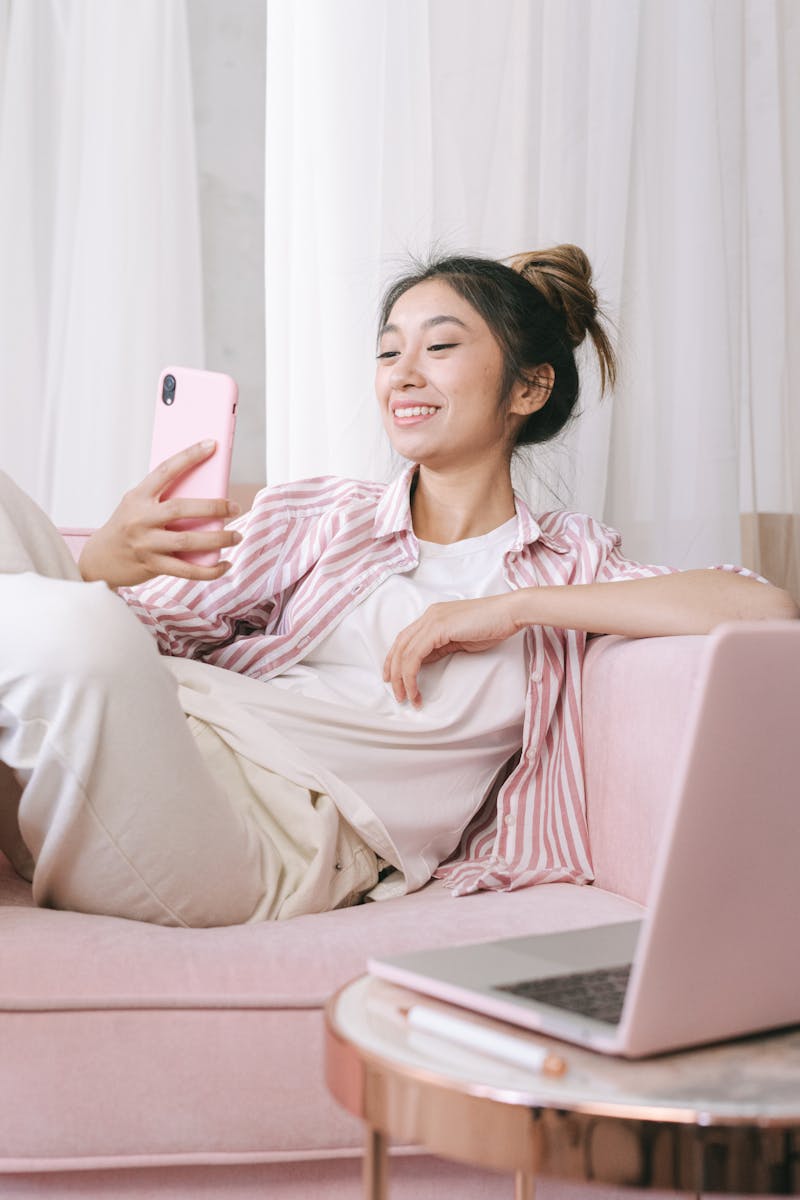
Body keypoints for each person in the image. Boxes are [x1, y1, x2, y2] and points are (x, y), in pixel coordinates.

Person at [1, 245, 796, 927]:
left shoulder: (569, 565)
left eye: (439, 348)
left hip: (251, 838)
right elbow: (153, 638)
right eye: (388, 352)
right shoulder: (323, 515)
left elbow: (762, 605)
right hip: (143, 744)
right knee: (52, 577)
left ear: (528, 389)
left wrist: (512, 607)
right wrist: (103, 559)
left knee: (78, 633)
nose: (403, 374)